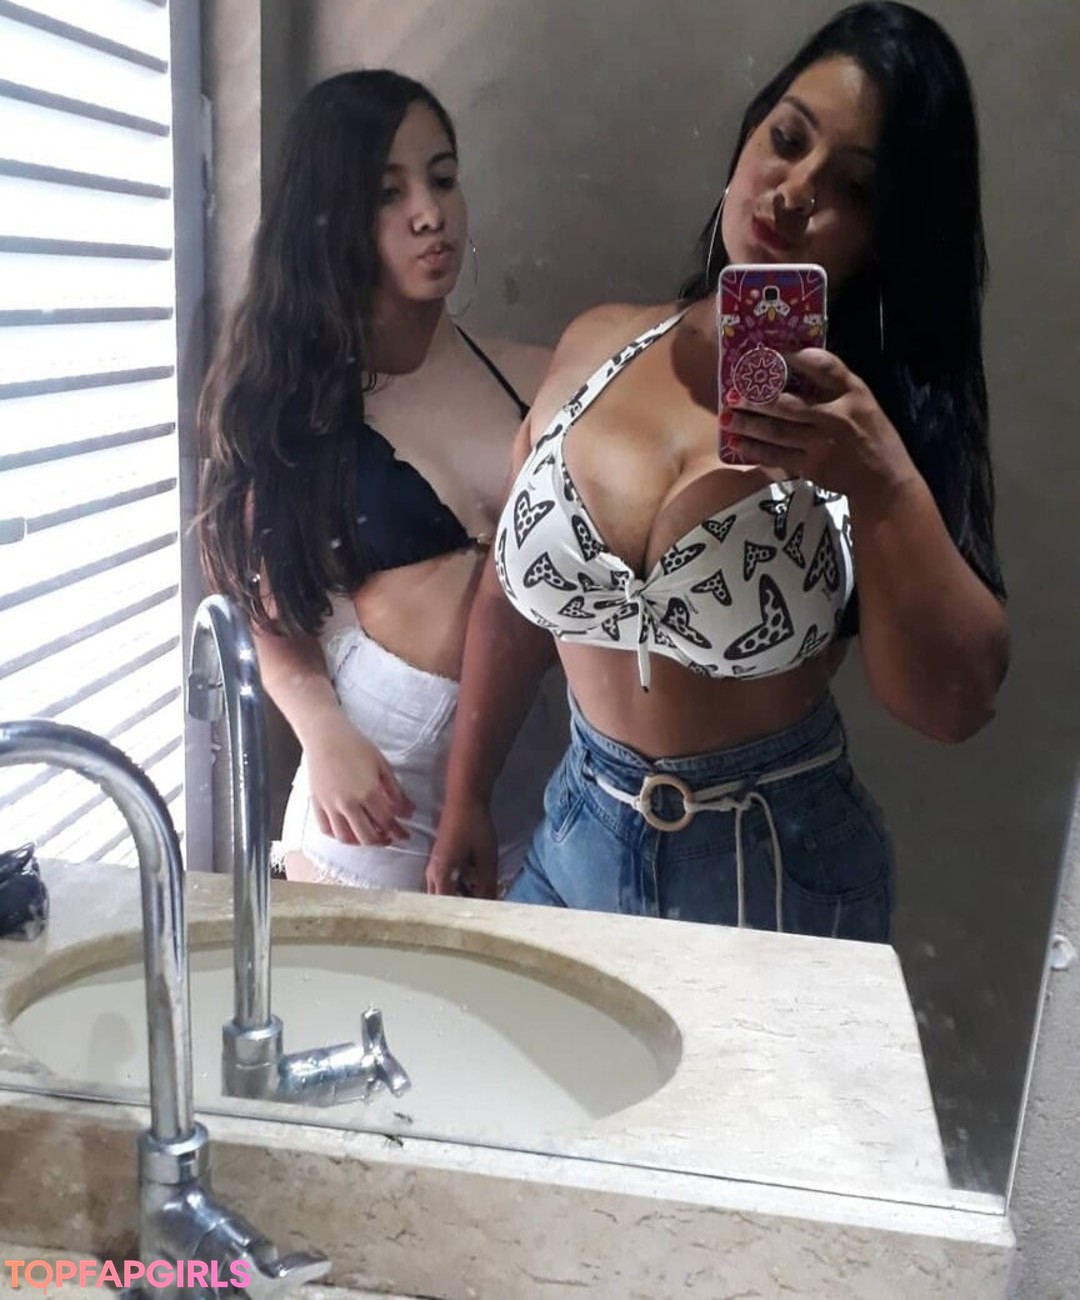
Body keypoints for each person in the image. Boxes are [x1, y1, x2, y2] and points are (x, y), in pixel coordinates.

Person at [426, 2, 1009, 941]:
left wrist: (882, 483)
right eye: (789, 140)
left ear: (886, 234)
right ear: (748, 137)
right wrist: (467, 794)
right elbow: (508, 594)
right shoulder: (596, 343)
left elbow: (953, 705)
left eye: (854, 187)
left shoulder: (867, 423)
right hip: (573, 839)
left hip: (771, 874)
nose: (795, 192)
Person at [197, 70, 563, 892]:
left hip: (530, 812)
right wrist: (321, 730)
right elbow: (259, 604)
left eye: (443, 179)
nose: (429, 214)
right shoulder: (296, 403)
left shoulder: (535, 377)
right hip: (370, 818)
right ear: (331, 216)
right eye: (388, 194)